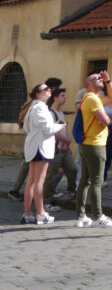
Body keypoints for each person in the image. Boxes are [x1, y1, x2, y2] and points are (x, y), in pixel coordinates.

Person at [75, 70, 112, 228]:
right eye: (97, 78)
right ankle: (99, 216)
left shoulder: (91, 98)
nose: (100, 78)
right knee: (96, 182)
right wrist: (109, 119)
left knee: (85, 181)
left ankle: (81, 215)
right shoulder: (93, 99)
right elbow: (105, 120)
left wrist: (108, 81)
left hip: (87, 144)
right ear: (89, 84)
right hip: (95, 145)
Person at [9, 76, 61, 203]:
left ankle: (31, 206)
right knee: (33, 174)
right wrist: (58, 126)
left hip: (36, 138)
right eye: (50, 88)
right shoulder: (40, 104)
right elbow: (45, 126)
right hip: (38, 140)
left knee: (32, 175)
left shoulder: (39, 102)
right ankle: (17, 191)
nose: (52, 91)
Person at [21, 82, 65, 225]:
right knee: (38, 181)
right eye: (45, 89)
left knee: (32, 181)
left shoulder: (34, 107)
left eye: (48, 88)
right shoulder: (39, 107)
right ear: (38, 94)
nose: (48, 90)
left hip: (36, 145)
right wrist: (59, 126)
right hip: (40, 147)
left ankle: (28, 213)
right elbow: (47, 128)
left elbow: (30, 128)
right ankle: (40, 213)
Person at [43, 86, 77, 206]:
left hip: (64, 148)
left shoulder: (61, 113)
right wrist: (64, 140)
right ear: (55, 98)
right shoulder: (50, 113)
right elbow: (53, 131)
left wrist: (66, 142)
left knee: (72, 169)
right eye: (62, 96)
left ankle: (71, 191)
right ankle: (46, 201)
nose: (65, 98)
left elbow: (63, 129)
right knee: (51, 175)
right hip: (54, 149)